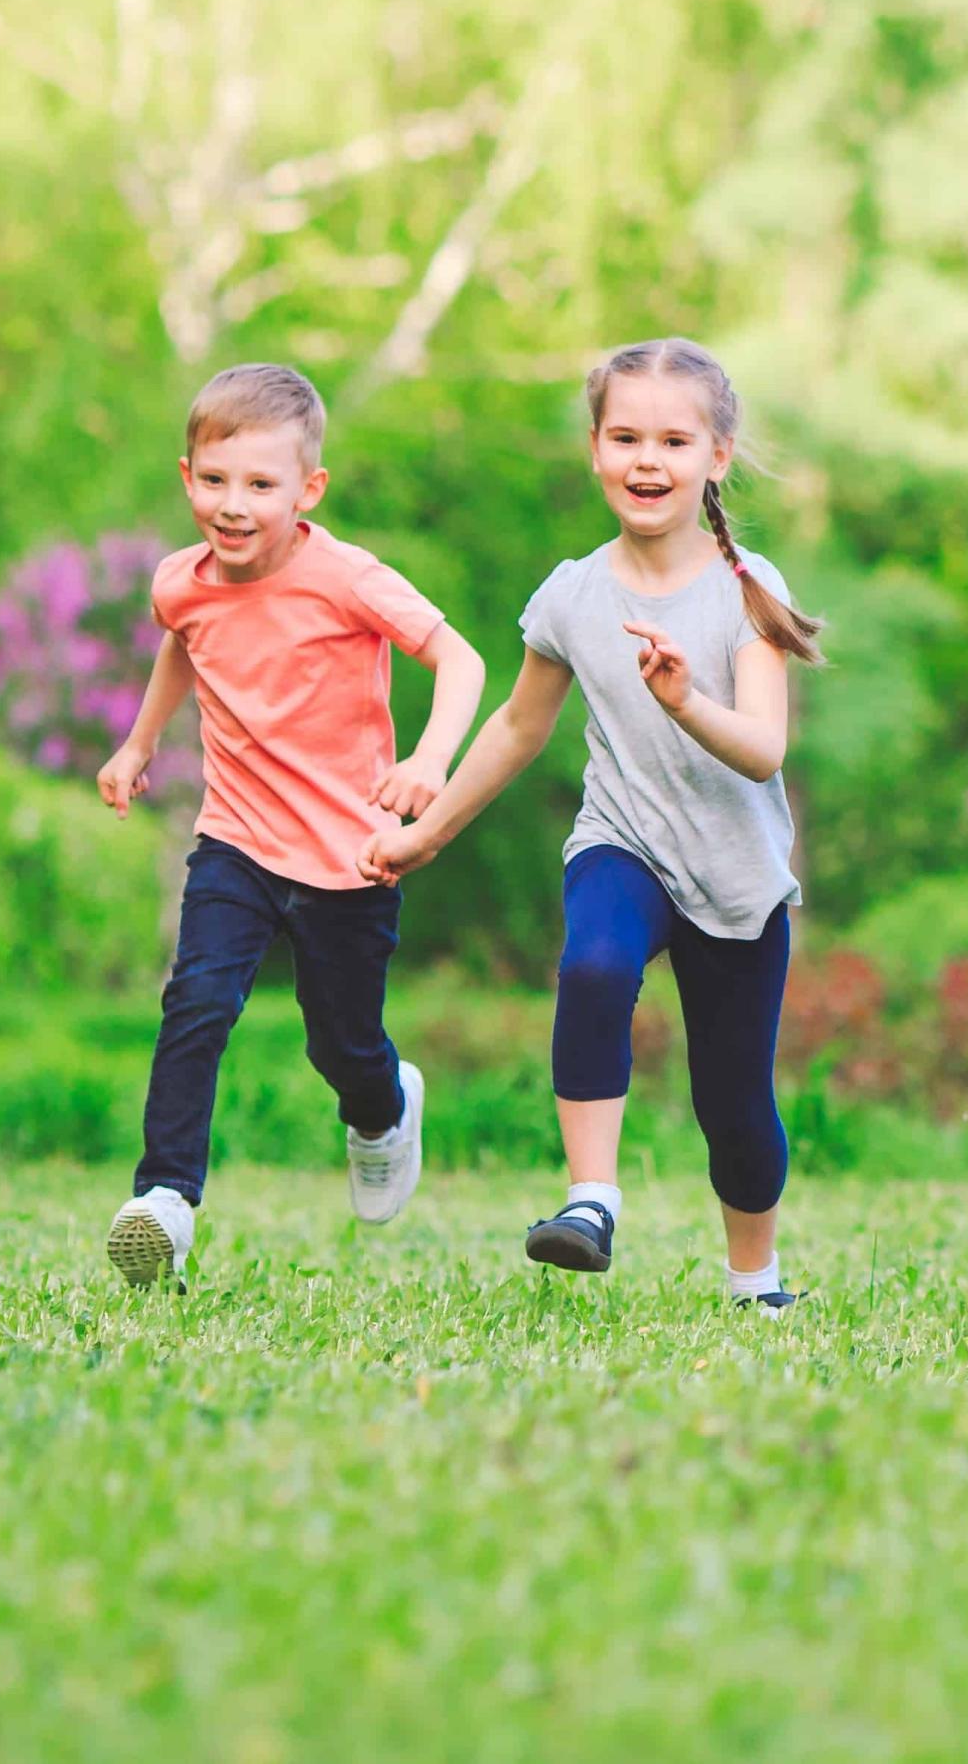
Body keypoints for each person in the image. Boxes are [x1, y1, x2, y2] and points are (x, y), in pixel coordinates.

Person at [368, 339, 827, 1313]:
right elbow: (518, 726)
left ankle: (756, 1279)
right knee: (594, 966)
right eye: (625, 437)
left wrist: (684, 700)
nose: (647, 459)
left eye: (674, 440)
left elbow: (763, 749)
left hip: (738, 874)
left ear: (718, 455)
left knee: (736, 1107)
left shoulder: (749, 587)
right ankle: (591, 1201)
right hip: (623, 841)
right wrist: (427, 832)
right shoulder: (574, 594)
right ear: (594, 449)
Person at [96, 363, 486, 1287]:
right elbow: (183, 642)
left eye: (260, 484)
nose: (233, 505)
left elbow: (460, 659)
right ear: (187, 476)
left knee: (339, 1041)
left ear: (307, 490)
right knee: (197, 1001)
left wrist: (429, 761)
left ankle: (383, 1109)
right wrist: (139, 742)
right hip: (235, 837)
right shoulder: (180, 581)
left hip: (351, 851)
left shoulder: (346, 577)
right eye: (214, 479)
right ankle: (165, 1198)